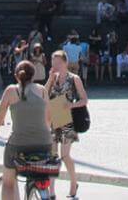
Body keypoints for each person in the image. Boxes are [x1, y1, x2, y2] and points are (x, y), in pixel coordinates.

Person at [0, 60, 54, 200]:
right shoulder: (42, 91)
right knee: (40, 174)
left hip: (18, 144)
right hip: (44, 143)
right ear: (33, 76)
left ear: (17, 76)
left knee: (9, 182)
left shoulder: (11, 91)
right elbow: (48, 120)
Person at [47, 49, 89, 199]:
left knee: (65, 156)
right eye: (53, 62)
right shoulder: (53, 77)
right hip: (54, 118)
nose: (55, 65)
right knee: (52, 156)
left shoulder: (74, 78)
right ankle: (51, 190)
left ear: (65, 62)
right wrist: (50, 79)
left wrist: (71, 105)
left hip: (67, 119)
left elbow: (84, 99)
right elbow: (44, 95)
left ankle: (73, 182)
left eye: (58, 62)